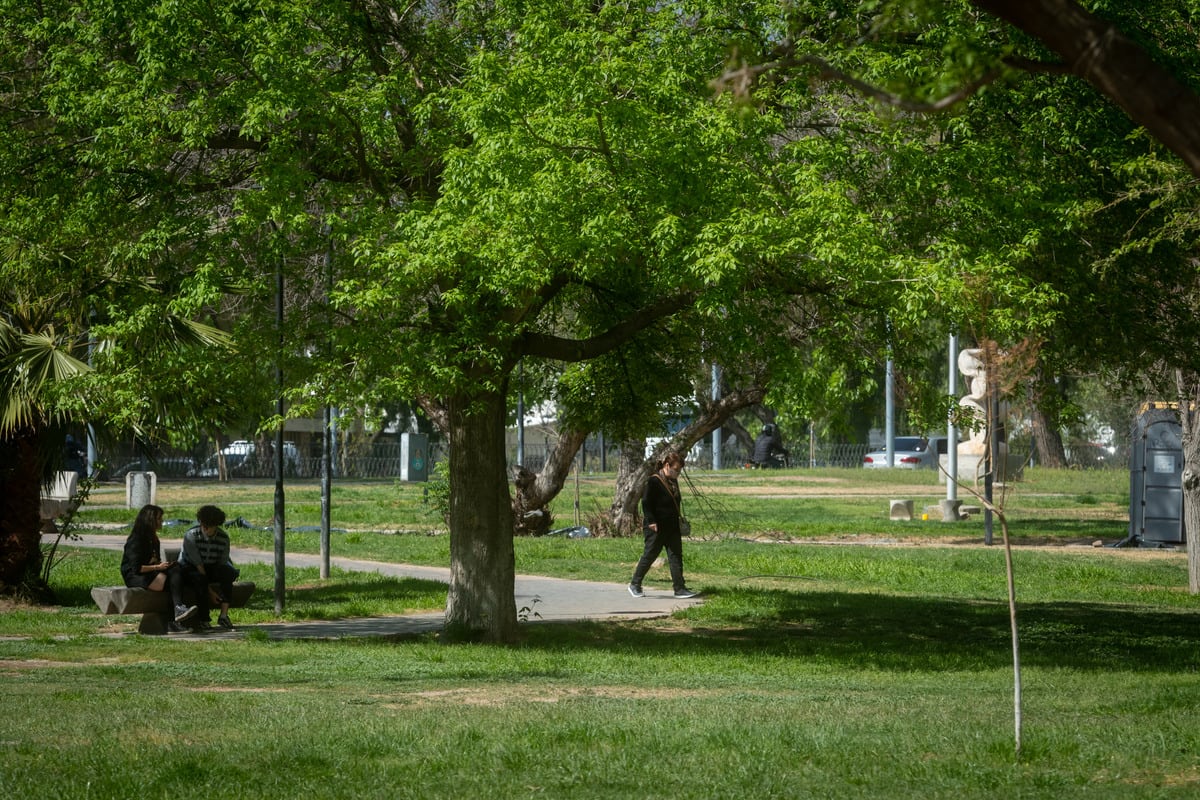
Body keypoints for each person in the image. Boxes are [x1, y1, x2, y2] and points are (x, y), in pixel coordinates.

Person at [629, 451, 699, 599]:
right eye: (676, 470)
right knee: (650, 555)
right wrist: (652, 521)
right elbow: (646, 503)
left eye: (680, 471)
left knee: (675, 556)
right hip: (656, 527)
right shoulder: (654, 481)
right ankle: (635, 584)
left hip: (672, 526)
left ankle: (679, 588)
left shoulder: (673, 481)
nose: (678, 473)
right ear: (667, 466)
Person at [120, 504, 199, 630]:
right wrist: (158, 567)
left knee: (179, 573)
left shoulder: (153, 538)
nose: (162, 522)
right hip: (136, 576)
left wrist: (161, 565)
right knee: (174, 580)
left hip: (151, 573)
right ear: (150, 520)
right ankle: (176, 613)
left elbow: (154, 561)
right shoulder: (137, 540)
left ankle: (178, 618)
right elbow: (136, 568)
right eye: (159, 519)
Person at [178, 505, 239, 630]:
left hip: (211, 566)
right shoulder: (191, 535)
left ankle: (224, 615)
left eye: (209, 525)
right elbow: (198, 565)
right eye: (203, 524)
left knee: (228, 573)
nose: (205, 528)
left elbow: (223, 563)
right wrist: (211, 592)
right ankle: (204, 618)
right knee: (200, 579)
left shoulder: (223, 538)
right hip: (190, 568)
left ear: (216, 525)